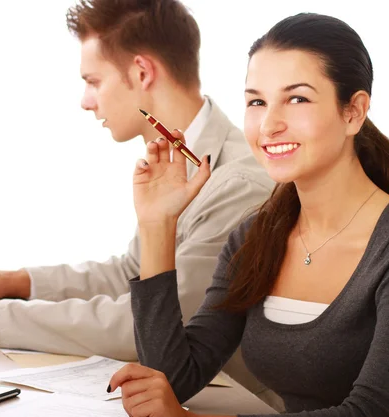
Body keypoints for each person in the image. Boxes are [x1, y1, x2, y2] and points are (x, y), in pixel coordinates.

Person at [0, 0, 275, 404]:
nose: (86, 100)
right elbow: (134, 274)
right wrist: (14, 283)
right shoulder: (176, 160)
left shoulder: (237, 185)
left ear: (141, 72)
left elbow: (152, 323)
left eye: (93, 81)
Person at [109, 12, 389, 417]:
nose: (269, 125)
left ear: (353, 112)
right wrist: (158, 224)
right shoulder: (257, 236)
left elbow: (371, 410)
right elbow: (175, 377)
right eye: (256, 101)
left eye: (297, 98)